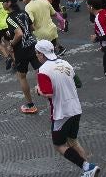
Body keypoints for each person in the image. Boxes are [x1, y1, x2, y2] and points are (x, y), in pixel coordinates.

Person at [34, 40, 100, 177]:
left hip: (61, 113)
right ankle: (88, 170)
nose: (36, 55)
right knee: (73, 141)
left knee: (59, 145)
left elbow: (48, 93)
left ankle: (87, 167)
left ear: (42, 54)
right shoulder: (66, 63)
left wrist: (38, 90)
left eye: (37, 53)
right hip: (76, 108)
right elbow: (79, 83)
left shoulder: (43, 70)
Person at [2, 0, 40, 114]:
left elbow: (19, 34)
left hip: (21, 50)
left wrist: (11, 44)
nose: (2, 4)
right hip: (32, 44)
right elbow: (32, 28)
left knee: (22, 76)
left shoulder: (10, 18)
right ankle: (48, 91)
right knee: (40, 70)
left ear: (9, 3)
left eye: (4, 2)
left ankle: (30, 105)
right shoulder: (23, 12)